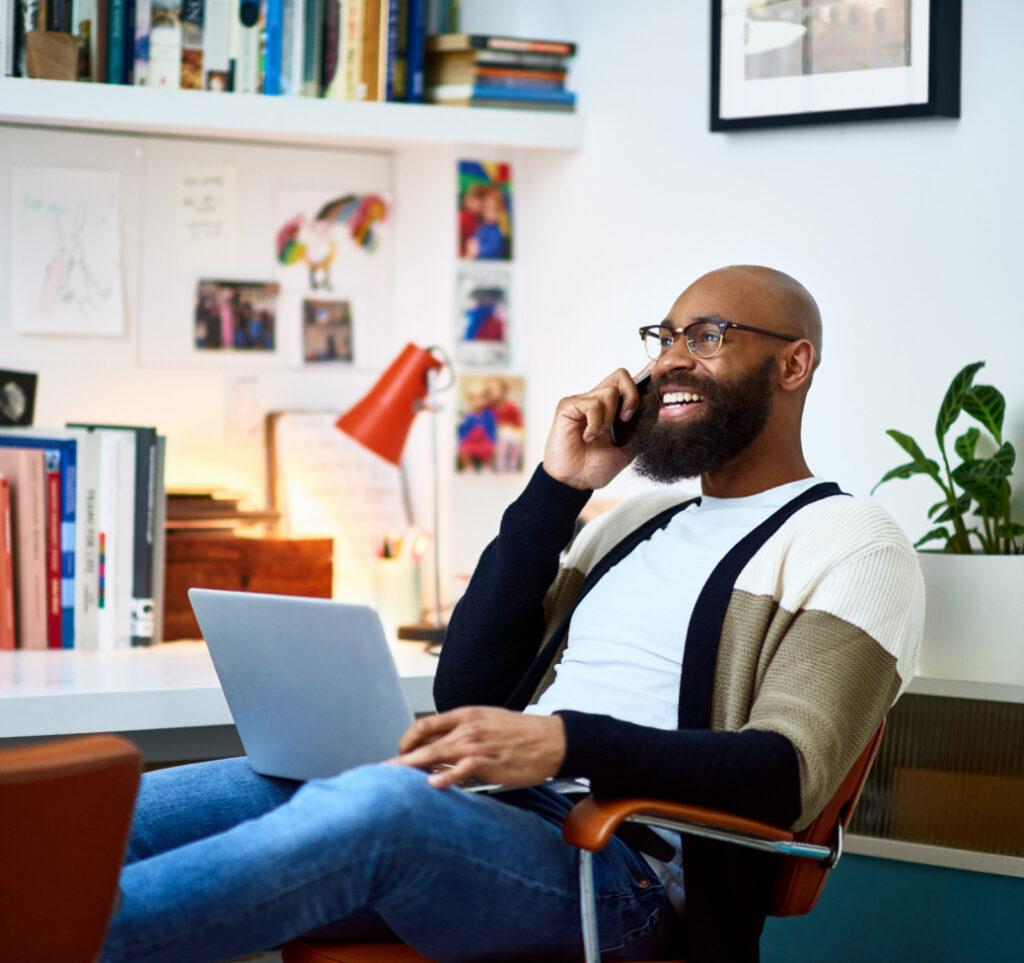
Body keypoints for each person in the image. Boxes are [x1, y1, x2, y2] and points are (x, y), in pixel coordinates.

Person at [100, 265, 923, 963]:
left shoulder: (852, 543)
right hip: (482, 815)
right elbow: (471, 683)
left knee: (379, 808)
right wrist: (559, 486)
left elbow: (783, 774)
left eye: (706, 336)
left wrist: (564, 741)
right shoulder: (631, 521)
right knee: (121, 812)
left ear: (794, 364)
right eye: (663, 338)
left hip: (617, 870)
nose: (670, 361)